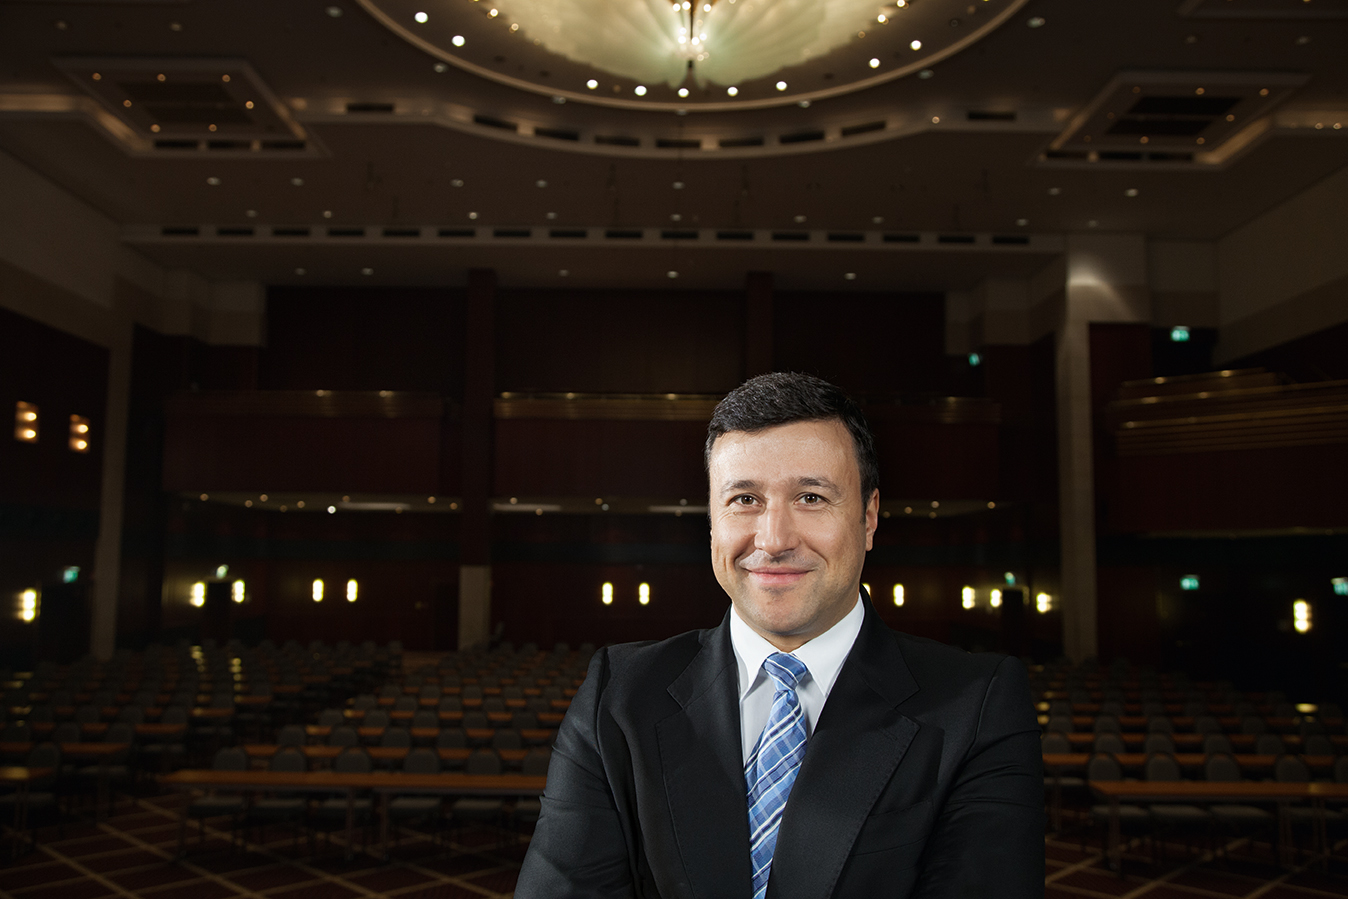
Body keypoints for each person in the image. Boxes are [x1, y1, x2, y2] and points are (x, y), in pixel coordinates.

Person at [517, 372, 1043, 899]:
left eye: (811, 497)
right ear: (712, 521)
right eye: (744, 499)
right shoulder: (618, 693)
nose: (773, 540)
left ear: (868, 518)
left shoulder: (978, 703)